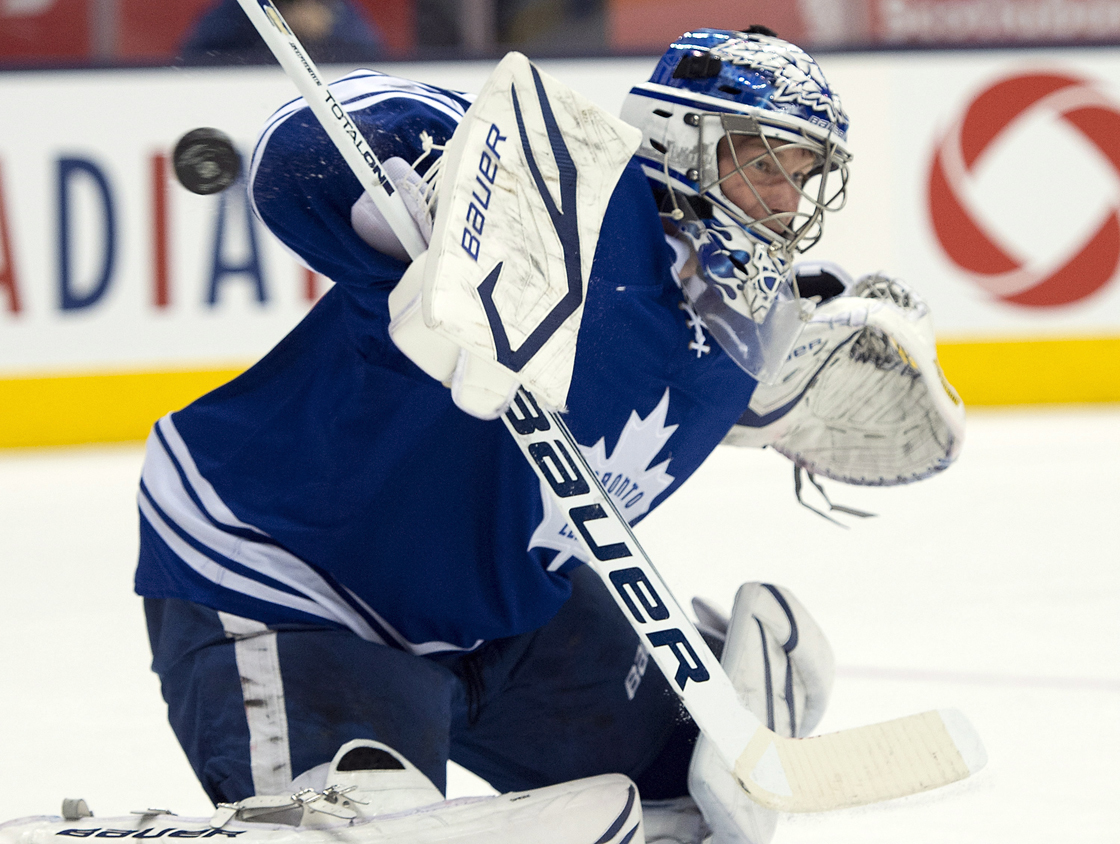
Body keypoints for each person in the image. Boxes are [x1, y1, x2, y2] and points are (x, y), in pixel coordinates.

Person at [136, 27, 962, 844]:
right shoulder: (556, 208)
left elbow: (820, 366)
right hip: (285, 575)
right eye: (765, 162)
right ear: (682, 135)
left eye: (805, 174)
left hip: (505, 606)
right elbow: (302, 148)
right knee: (358, 829)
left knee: (698, 789)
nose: (787, 200)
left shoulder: (752, 324)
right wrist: (436, 182)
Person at [180, 0, 383, 64]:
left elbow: (373, 58)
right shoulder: (241, 8)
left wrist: (329, 30)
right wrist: (266, 28)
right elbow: (193, 60)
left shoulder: (337, 9)